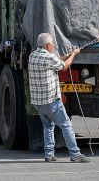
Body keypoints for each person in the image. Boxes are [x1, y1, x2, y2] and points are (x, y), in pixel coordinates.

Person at [28, 33, 90, 163]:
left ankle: (49, 154)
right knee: (66, 125)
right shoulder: (49, 57)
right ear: (48, 45)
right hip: (51, 101)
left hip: (38, 103)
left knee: (48, 126)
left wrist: (66, 56)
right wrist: (73, 54)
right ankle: (75, 154)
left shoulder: (33, 55)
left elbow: (57, 61)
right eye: (53, 44)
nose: (54, 46)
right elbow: (64, 67)